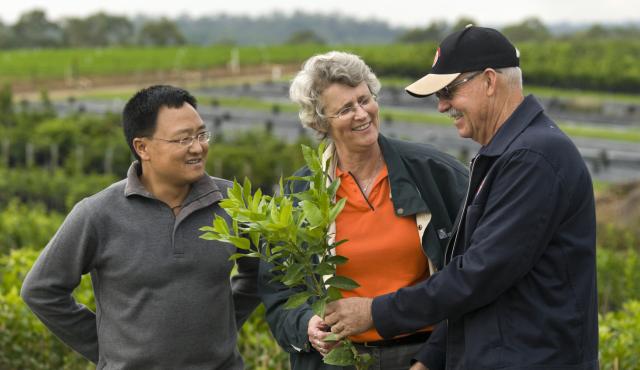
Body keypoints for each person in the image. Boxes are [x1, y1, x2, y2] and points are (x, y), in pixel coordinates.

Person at [323, 26, 599, 370]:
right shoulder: (505, 154)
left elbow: (479, 275)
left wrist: (376, 312)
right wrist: (431, 358)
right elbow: (478, 281)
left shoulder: (534, 158)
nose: (442, 106)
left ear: (489, 81)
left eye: (449, 91)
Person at [20, 85, 260, 369]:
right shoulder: (98, 214)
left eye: (201, 134)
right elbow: (41, 290)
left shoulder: (234, 201)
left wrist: (227, 325)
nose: (197, 147)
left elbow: (259, 273)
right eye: (183, 139)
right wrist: (108, 350)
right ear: (142, 147)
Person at [258, 51, 468, 370]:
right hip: (340, 359)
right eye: (345, 108)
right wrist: (304, 325)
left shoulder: (434, 173)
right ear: (321, 122)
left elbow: (474, 272)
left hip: (424, 357)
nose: (361, 114)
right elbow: (277, 292)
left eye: (364, 99)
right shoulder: (299, 194)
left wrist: (432, 358)